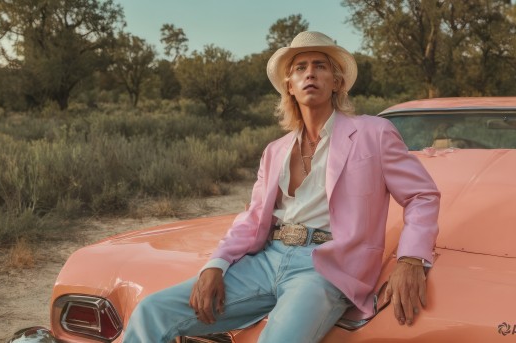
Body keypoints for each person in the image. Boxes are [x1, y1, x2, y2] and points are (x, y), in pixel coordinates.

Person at [123, 31, 440, 343]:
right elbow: (252, 218)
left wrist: (411, 259)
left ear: (337, 81)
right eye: (300, 68)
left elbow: (421, 195)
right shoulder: (275, 150)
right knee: (152, 311)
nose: (310, 73)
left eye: (320, 66)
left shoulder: (374, 132)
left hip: (326, 268)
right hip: (265, 260)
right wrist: (215, 265)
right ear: (289, 85)